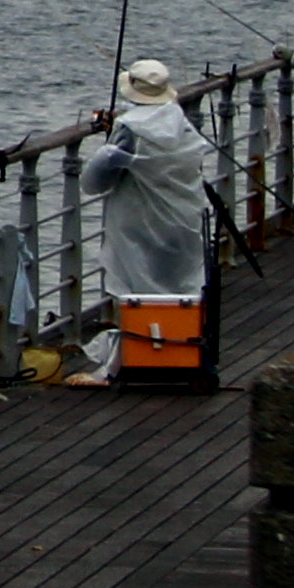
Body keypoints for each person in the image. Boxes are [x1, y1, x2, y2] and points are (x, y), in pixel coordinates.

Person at [85, 55, 217, 382]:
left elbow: (94, 182)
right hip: (182, 221)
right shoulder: (179, 120)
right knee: (181, 291)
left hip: (139, 224)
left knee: (134, 291)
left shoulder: (129, 129)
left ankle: (130, 360)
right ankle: (182, 353)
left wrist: (111, 142)